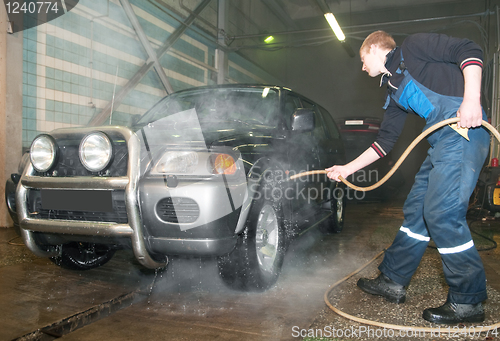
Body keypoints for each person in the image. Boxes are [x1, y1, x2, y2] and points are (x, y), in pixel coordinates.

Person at [326, 31, 490, 324]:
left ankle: (468, 300)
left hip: (464, 132)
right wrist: (346, 169)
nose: (362, 68)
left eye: (363, 60)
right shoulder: (393, 90)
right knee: (417, 211)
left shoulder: (413, 48)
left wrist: (471, 100)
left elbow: (469, 48)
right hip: (440, 141)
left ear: (375, 47)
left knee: (442, 214)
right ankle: (393, 280)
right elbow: (384, 143)